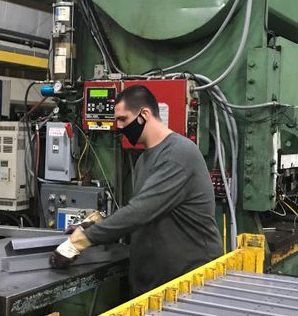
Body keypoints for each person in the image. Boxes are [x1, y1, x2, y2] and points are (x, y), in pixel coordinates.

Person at [50, 85, 223, 295]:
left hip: (189, 284)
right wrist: (95, 223)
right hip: (155, 284)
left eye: (123, 119)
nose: (119, 126)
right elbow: (141, 208)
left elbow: (140, 211)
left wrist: (80, 241)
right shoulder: (144, 160)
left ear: (144, 114)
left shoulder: (179, 153)